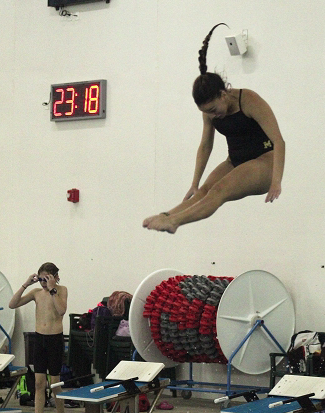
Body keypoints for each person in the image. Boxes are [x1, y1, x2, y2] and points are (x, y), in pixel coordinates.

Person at [143, 23, 285, 234]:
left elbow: (279, 141)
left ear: (223, 94)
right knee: (204, 192)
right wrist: (194, 183)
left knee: (219, 190)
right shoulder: (209, 110)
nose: (211, 115)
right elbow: (205, 146)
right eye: (206, 111)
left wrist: (276, 182)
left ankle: (175, 222)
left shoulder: (249, 100)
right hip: (235, 161)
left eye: (212, 109)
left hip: (264, 162)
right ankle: (168, 215)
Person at [9, 262, 68, 413]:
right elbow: (12, 304)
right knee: (38, 383)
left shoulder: (61, 290)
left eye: (46, 279)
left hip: (55, 340)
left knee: (55, 384)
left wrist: (52, 289)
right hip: (40, 340)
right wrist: (25, 284)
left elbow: (61, 310)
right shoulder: (36, 293)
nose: (43, 283)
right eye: (41, 280)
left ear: (54, 278)